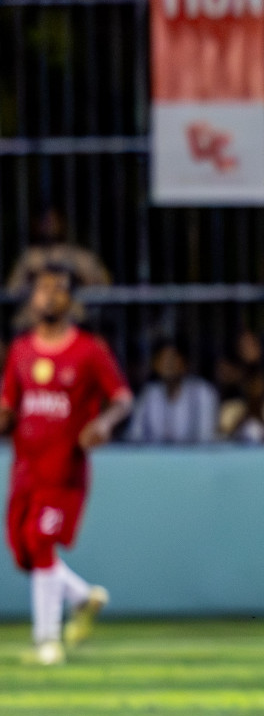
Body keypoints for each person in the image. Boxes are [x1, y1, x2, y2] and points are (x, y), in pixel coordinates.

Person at [0, 266, 131, 664]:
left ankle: (47, 640)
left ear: (70, 300)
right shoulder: (21, 350)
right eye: (43, 289)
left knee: (40, 543)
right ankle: (82, 597)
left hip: (64, 473)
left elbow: (122, 398)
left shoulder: (89, 351)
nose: (50, 295)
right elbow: (8, 405)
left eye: (59, 289)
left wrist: (104, 423)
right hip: (26, 469)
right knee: (24, 551)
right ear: (32, 298)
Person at [126, 338, 219, 444]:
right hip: (154, 453)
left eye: (173, 358)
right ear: (154, 364)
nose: (168, 364)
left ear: (185, 363)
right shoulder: (149, 393)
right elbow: (135, 434)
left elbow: (206, 436)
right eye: (162, 359)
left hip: (194, 453)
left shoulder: (202, 392)